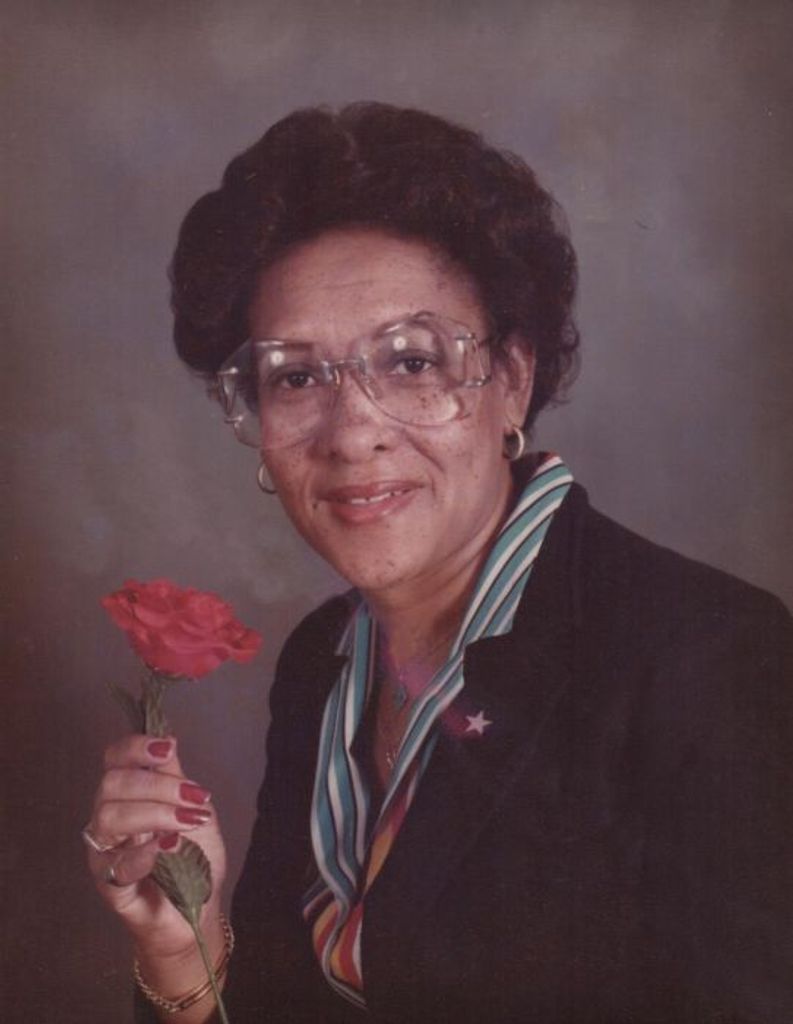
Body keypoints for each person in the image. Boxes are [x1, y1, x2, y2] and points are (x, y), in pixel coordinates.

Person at [84, 103, 793, 1023]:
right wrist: (184, 948)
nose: (353, 433)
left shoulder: (709, 656)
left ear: (513, 381)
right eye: (295, 376)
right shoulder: (324, 662)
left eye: (412, 363)